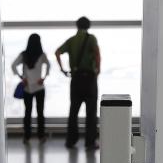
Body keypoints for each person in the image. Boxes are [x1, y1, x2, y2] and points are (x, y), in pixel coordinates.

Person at [55, 16, 101, 150]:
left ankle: (71, 141)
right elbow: (97, 55)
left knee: (73, 111)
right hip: (89, 79)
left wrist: (63, 69)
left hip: (75, 79)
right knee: (91, 112)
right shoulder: (91, 38)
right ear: (88, 26)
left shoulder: (71, 40)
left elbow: (57, 52)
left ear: (77, 26)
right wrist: (98, 70)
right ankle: (90, 142)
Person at [11, 33, 50, 142]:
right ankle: (41, 136)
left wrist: (21, 77)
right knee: (40, 112)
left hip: (27, 87)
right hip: (39, 87)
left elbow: (13, 65)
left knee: (27, 112)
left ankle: (27, 136)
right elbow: (49, 65)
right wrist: (44, 77)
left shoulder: (24, 55)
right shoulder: (42, 55)